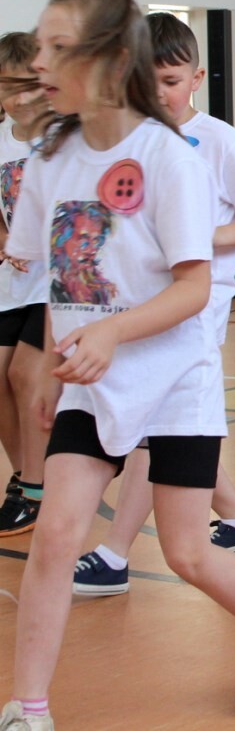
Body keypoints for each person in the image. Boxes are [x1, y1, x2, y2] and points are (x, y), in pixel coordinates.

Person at [1, 0, 235, 728]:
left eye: (56, 46)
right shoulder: (49, 161)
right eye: (38, 45)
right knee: (56, 537)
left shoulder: (171, 158)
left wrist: (111, 330)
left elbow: (192, 288)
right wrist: (51, 369)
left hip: (175, 376)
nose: (37, 62)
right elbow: (58, 275)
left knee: (186, 552)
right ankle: (27, 707)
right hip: (92, 381)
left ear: (111, 62)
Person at [69, 13, 235, 597]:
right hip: (140, 308)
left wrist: (205, 238)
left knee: (155, 427)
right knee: (177, 430)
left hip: (196, 306)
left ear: (196, 78)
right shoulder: (128, 143)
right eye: (146, 80)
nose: (158, 92)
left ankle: (114, 554)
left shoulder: (218, 140)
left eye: (169, 81)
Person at [0, 32, 49, 536]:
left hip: (54, 285)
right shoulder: (2, 140)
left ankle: (36, 488)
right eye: (6, 87)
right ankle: (24, 475)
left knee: (24, 376)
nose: (18, 99)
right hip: (13, 284)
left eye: (26, 85)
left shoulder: (62, 138)